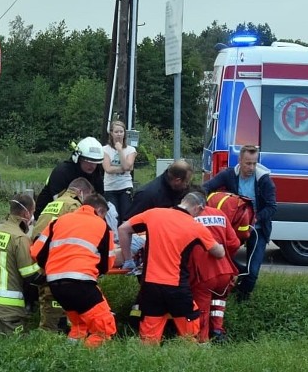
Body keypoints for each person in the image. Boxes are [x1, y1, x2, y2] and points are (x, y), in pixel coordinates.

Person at [118, 192, 225, 344]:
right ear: (198, 208)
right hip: (177, 288)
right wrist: (221, 245)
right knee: (190, 336)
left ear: (183, 201)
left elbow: (123, 229)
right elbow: (219, 253)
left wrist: (128, 260)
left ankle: (148, 362)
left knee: (148, 339)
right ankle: (190, 362)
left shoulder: (153, 213)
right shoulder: (195, 227)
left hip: (150, 286)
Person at [31, 194, 116, 347]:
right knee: (104, 327)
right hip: (81, 283)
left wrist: (53, 268)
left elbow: (36, 251)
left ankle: (69, 356)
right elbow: (107, 264)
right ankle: (89, 361)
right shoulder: (103, 227)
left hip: (55, 284)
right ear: (100, 211)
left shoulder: (58, 221)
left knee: (79, 325)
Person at [203, 144, 277, 301]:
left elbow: (272, 207)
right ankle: (233, 282)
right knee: (221, 258)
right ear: (240, 161)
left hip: (257, 229)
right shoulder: (229, 174)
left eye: (254, 163)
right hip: (234, 228)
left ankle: (242, 298)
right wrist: (203, 205)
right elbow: (206, 188)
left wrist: (254, 218)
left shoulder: (264, 180)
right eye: (247, 163)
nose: (251, 167)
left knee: (253, 272)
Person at [31, 177, 94, 332]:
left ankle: (50, 333)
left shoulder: (52, 204)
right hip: (60, 262)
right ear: (80, 192)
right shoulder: (74, 206)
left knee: (48, 301)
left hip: (42, 259)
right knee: (59, 305)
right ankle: (56, 336)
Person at [0, 193, 42, 334]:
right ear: (26, 213)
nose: (33, 217)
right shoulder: (20, 238)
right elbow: (31, 276)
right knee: (16, 351)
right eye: (33, 212)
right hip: (7, 311)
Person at [191, 204, 240, 343]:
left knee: (202, 309)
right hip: (225, 271)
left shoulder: (188, 216)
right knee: (218, 302)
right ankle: (217, 330)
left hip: (204, 274)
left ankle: (203, 342)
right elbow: (234, 243)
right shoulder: (219, 214)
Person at [34, 137, 104, 219]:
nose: (92, 166)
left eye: (95, 163)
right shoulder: (62, 172)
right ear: (78, 158)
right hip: (48, 214)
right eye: (88, 161)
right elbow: (60, 203)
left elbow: (99, 199)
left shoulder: (96, 174)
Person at [123, 159, 193, 221]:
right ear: (177, 180)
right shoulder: (147, 195)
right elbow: (129, 223)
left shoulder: (183, 190)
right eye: (186, 181)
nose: (187, 185)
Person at [102, 120, 137, 225]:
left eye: (121, 132)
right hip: (110, 187)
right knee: (113, 217)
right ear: (111, 133)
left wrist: (120, 150)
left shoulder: (131, 150)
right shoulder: (105, 149)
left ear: (124, 133)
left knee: (126, 216)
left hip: (125, 186)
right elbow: (107, 169)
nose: (119, 134)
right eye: (116, 132)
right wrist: (125, 168)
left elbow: (127, 166)